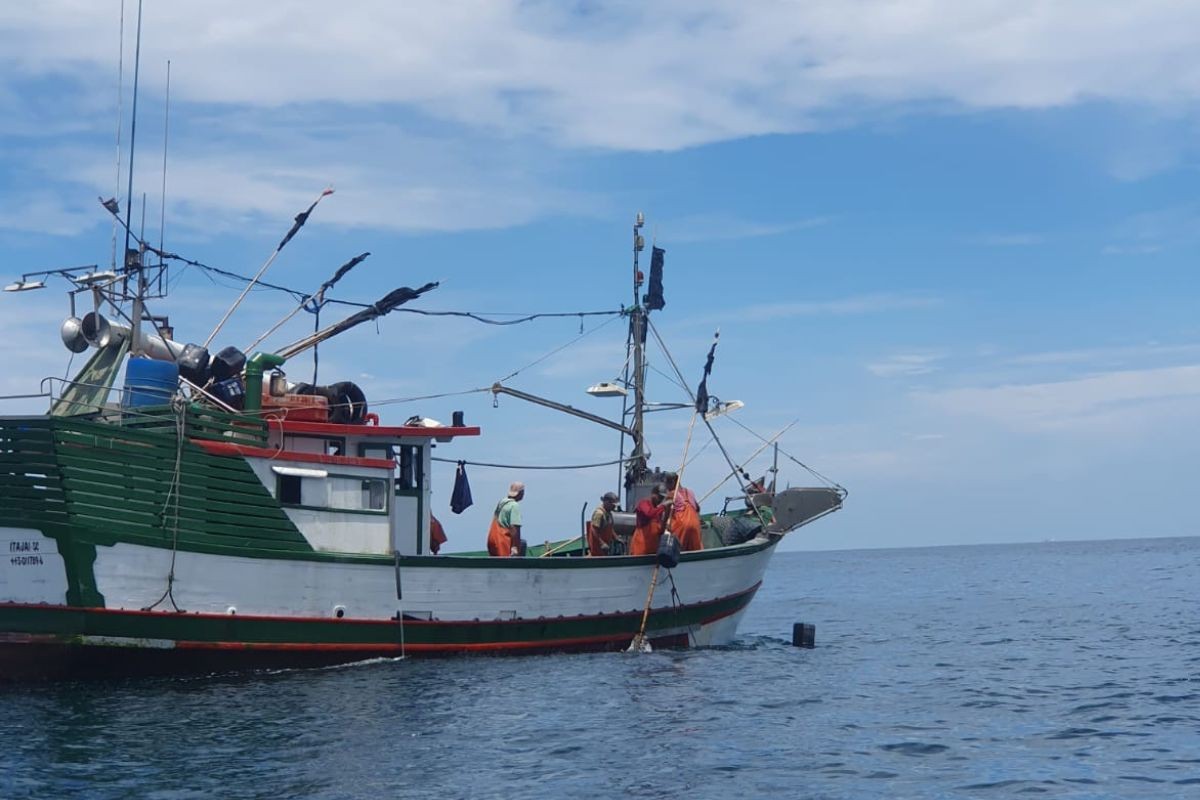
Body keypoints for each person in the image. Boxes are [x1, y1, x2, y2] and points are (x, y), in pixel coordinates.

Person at [664, 472, 703, 552]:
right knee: (695, 550)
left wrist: (663, 526)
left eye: (666, 484)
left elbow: (666, 513)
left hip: (682, 525)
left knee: (677, 550)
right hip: (695, 523)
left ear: (672, 482)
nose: (666, 487)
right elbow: (698, 508)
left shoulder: (672, 494)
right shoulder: (690, 492)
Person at [629, 484, 669, 556]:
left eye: (662, 498)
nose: (660, 500)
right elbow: (649, 514)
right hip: (641, 548)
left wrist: (666, 515)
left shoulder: (658, 511)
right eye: (659, 497)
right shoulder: (644, 503)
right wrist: (663, 506)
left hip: (653, 550)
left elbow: (660, 531)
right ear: (653, 494)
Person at [487, 481, 525, 557]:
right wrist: (515, 547)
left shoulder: (502, 502)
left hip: (492, 540)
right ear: (520, 493)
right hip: (502, 541)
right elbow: (514, 528)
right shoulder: (514, 506)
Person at [587, 491, 620, 556]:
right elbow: (594, 530)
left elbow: (609, 528)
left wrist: (616, 538)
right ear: (607, 502)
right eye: (613, 505)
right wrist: (602, 543)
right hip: (597, 548)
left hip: (606, 547)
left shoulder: (609, 513)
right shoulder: (599, 513)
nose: (614, 507)